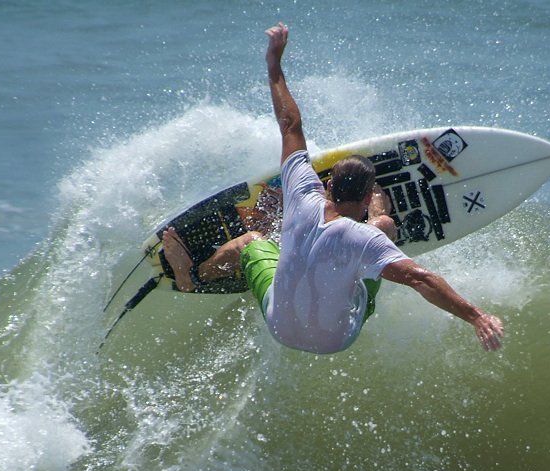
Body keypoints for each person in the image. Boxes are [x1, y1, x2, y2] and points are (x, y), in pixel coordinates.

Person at [162, 22, 504, 355]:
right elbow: (422, 280)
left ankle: (192, 276)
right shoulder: (366, 240)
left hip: (279, 326)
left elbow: (289, 125)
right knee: (384, 228)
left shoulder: (301, 195)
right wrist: (477, 317)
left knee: (252, 242)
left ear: (327, 185)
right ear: (369, 197)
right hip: (336, 340)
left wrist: (275, 65)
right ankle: (381, 217)